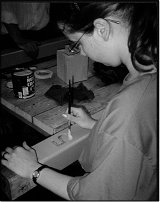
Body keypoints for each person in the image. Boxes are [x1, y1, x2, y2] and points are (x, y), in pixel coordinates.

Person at [1, 2, 157, 200]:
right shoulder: (147, 74)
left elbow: (96, 196)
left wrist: (33, 169)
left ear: (102, 29)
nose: (82, 52)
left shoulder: (130, 105)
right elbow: (141, 138)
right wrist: (96, 125)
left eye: (78, 43)